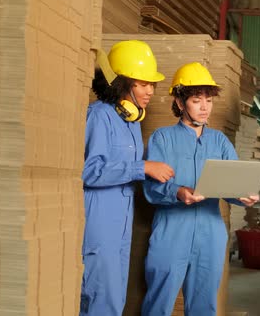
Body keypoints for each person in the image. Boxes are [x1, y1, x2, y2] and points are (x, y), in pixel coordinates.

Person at [141, 62, 259, 316]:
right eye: (197, 100)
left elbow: (233, 184)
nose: (205, 107)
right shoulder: (162, 138)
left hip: (210, 233)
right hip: (171, 231)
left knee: (204, 305)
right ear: (181, 103)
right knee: (158, 302)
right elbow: (150, 190)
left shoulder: (219, 141)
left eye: (208, 100)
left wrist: (244, 196)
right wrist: (177, 192)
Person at [81, 40, 175, 315]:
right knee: (100, 299)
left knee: (115, 298)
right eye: (142, 84)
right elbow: (89, 171)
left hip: (121, 226)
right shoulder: (99, 116)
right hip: (99, 225)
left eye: (152, 84)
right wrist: (142, 168)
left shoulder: (132, 122)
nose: (150, 91)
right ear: (122, 83)